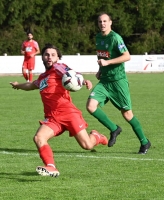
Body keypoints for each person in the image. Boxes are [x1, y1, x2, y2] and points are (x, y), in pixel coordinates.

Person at [10, 44, 108, 178]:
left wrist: (84, 81)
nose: (49, 57)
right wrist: (18, 85)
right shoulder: (43, 76)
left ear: (58, 57)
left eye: (53, 55)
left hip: (68, 114)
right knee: (39, 137)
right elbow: (31, 85)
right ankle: (51, 167)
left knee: (87, 145)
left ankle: (97, 136)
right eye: (46, 54)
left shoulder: (58, 68)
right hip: (52, 117)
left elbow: (72, 75)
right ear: (42, 57)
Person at [86, 12, 151, 154]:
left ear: (110, 23)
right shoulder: (98, 38)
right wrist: (100, 69)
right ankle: (114, 129)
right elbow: (101, 56)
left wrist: (107, 62)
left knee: (127, 114)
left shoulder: (115, 38)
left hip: (118, 81)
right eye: (99, 22)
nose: (102, 24)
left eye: (105, 21)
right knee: (91, 106)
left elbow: (127, 56)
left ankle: (145, 142)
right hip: (105, 81)